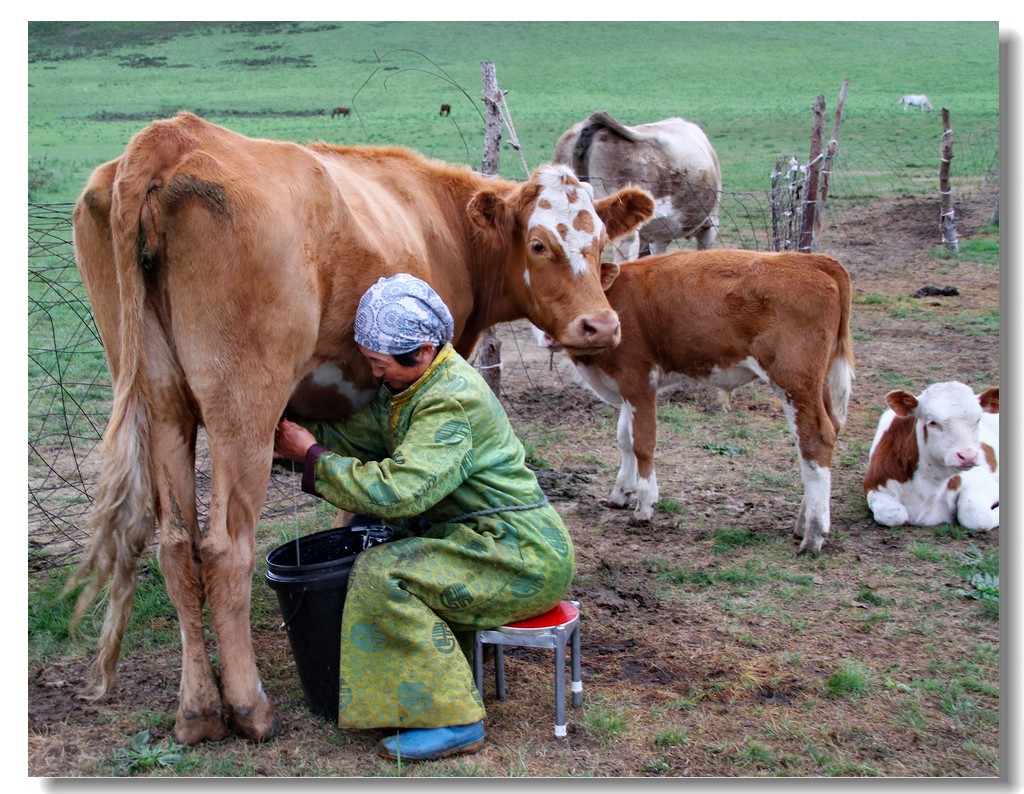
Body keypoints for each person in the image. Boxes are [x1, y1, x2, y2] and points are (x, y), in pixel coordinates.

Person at [273, 274, 575, 761]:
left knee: (383, 573)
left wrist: (312, 458)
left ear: (423, 350)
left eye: (379, 365)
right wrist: (303, 428)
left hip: (518, 555)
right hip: (487, 541)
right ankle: (438, 686)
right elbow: (368, 437)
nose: (374, 376)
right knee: (391, 558)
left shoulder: (448, 402)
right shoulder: (420, 386)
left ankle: (454, 721)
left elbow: (398, 494)